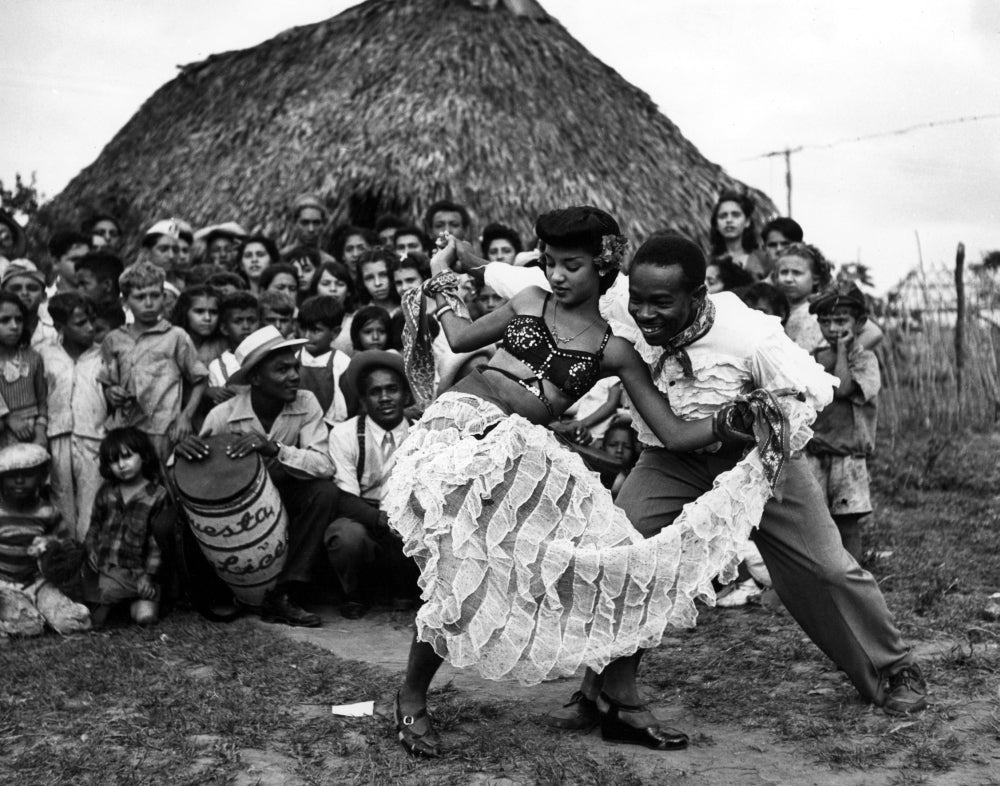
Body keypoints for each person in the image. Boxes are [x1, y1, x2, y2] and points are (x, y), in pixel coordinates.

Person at [388, 208, 765, 757]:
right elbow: (461, 335)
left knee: (613, 556)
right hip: (460, 432)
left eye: (572, 264)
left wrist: (730, 421)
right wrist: (441, 275)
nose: (557, 274)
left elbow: (674, 433)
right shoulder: (526, 303)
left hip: (522, 450)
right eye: (549, 262)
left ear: (604, 268)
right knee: (461, 569)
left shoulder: (615, 350)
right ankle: (411, 698)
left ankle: (612, 694)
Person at [543, 232, 925, 738]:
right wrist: (466, 264)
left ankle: (894, 668)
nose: (647, 313)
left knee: (826, 568)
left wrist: (755, 423)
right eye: (639, 299)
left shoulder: (750, 336)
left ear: (698, 297)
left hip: (757, 460)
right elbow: (528, 277)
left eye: (662, 302)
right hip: (669, 460)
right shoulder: (622, 311)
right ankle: (600, 692)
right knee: (623, 556)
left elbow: (808, 395)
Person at [175, 326, 339, 627]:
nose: (293, 376)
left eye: (295, 367)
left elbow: (325, 466)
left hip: (285, 495)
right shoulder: (223, 414)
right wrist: (186, 452)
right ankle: (220, 589)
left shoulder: (306, 403)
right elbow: (195, 477)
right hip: (237, 512)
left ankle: (285, 593)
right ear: (254, 379)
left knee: (323, 493)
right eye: (281, 369)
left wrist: (275, 448)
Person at [326, 350, 417, 618]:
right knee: (346, 537)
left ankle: (406, 588)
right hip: (364, 514)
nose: (385, 398)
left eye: (392, 389)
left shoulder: (422, 432)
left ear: (406, 395)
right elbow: (344, 497)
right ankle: (355, 593)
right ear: (364, 400)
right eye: (375, 392)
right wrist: (380, 519)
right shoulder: (345, 434)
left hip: (408, 514)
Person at [99, 262, 208, 461]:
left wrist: (185, 417)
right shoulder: (114, 340)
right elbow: (108, 384)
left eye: (155, 295)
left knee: (165, 483)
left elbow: (200, 379)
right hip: (126, 430)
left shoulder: (175, 336)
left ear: (164, 297)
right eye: (140, 297)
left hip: (165, 430)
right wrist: (111, 392)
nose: (148, 303)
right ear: (125, 300)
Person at [806, 282, 880, 561]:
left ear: (859, 322)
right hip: (817, 451)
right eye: (826, 322)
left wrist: (842, 351)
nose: (833, 328)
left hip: (848, 457)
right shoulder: (813, 357)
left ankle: (854, 585)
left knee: (847, 525)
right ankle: (824, 580)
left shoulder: (865, 359)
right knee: (817, 522)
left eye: (841, 321)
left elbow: (843, 388)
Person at [0, 443, 90, 635]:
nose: (19, 481)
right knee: (31, 627)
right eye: (12, 476)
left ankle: (41, 609)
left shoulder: (48, 512)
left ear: (41, 477)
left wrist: (50, 545)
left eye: (28, 475)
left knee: (72, 623)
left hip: (38, 581)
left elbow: (65, 546)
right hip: (5, 583)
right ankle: (18, 614)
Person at [37, 292, 106, 540]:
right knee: (60, 501)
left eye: (91, 323)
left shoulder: (103, 355)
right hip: (57, 436)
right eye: (80, 324)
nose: (89, 329)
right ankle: (65, 562)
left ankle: (89, 561)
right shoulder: (45, 355)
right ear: (59, 326)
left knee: (92, 503)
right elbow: (40, 398)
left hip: (94, 437)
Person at [83, 428, 167, 627]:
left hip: (140, 572)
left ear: (143, 456)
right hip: (109, 566)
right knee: (101, 613)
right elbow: (95, 524)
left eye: (127, 457)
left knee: (145, 617)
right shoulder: (106, 492)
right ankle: (114, 601)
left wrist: (148, 575)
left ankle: (131, 600)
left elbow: (157, 543)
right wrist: (91, 548)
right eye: (114, 461)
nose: (121, 465)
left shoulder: (157, 495)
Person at [0, 291, 47, 447]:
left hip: (31, 436)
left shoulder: (33, 358)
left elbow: (42, 401)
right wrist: (7, 417)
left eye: (18, 320)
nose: (14, 326)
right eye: (5, 320)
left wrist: (40, 431)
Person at [296, 295, 350, 425]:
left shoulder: (341, 363)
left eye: (316, 330)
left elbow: (348, 406)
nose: (307, 336)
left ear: (335, 332)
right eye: (303, 329)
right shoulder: (294, 359)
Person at [207, 291, 260, 402]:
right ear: (224, 329)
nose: (246, 326)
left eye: (251, 320)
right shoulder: (217, 366)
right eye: (238, 321)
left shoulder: (269, 356)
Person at [708, 191, 769, 280]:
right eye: (723, 216)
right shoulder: (708, 262)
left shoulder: (763, 259)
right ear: (716, 224)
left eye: (735, 215)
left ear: (747, 222)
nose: (729, 220)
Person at [2, 260, 58, 349]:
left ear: (43, 296)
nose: (24, 293)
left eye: (32, 288)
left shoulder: (55, 331)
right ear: (3, 293)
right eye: (16, 288)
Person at [308, 262, 357, 356]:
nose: (333, 289)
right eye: (326, 284)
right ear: (315, 289)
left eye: (340, 284)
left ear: (348, 292)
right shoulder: (305, 320)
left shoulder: (356, 321)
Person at [281, 194, 335, 264]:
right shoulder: (281, 258)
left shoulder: (329, 263)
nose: (311, 229)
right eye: (305, 223)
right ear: (294, 224)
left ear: (323, 225)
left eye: (316, 223)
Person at [140, 220, 185, 291]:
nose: (171, 256)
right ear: (146, 252)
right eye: (163, 249)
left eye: (175, 250)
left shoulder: (184, 284)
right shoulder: (133, 283)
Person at [355, 249, 400, 315]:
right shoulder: (358, 316)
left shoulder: (412, 311)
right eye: (369, 278)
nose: (377, 283)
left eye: (383, 275)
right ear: (362, 282)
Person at [46, 230, 91, 296]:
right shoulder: (43, 303)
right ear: (55, 262)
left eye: (87, 260)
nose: (83, 265)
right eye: (75, 260)